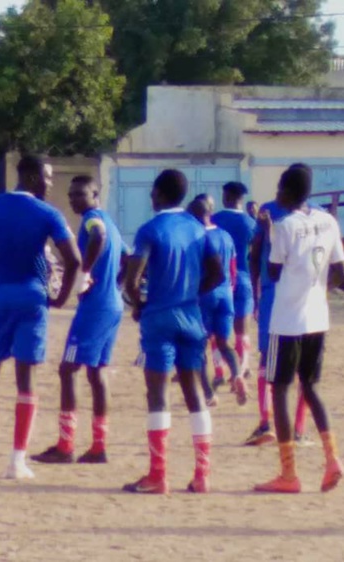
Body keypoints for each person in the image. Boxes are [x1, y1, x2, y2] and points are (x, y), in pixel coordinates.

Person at [0, 155, 81, 479]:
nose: (51, 184)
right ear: (34, 177)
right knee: (27, 379)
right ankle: (16, 461)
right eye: (48, 178)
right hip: (33, 299)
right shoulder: (47, 213)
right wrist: (60, 298)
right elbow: (74, 259)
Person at [122, 169, 224, 494]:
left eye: (153, 193)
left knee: (158, 393)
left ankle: (158, 474)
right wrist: (193, 292)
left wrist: (138, 303)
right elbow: (218, 274)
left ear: (160, 194)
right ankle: (203, 475)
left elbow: (132, 278)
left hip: (160, 317)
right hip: (192, 315)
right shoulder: (197, 228)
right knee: (195, 393)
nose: (151, 198)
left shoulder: (150, 230)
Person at [253, 166, 344, 494]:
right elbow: (341, 273)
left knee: (279, 388)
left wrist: (267, 232)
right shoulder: (329, 221)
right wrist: (315, 289)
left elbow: (274, 271)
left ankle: (289, 474)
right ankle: (333, 458)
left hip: (287, 320)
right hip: (318, 318)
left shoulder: (283, 226)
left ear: (286, 191)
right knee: (310, 387)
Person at [31, 175, 125, 465]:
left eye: (80, 194)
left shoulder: (93, 220)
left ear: (96, 194)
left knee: (68, 369)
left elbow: (98, 237)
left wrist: (85, 273)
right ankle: (99, 446)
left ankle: (66, 444)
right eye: (71, 195)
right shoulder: (112, 222)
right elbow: (129, 258)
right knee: (97, 373)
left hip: (95, 307)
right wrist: (115, 286)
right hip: (113, 305)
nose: (73, 200)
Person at [249, 163, 313, 447]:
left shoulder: (270, 213)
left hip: (276, 293)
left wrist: (256, 290)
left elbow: (259, 254)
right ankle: (296, 427)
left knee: (269, 358)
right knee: (302, 364)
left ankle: (267, 423)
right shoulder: (317, 215)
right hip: (305, 298)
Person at [188, 194, 245, 407]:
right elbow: (232, 269)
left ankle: (209, 394)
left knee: (199, 346)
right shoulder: (226, 236)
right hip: (226, 295)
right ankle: (237, 375)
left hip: (205, 294)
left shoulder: (197, 237)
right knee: (223, 342)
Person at [212, 182, 257, 387]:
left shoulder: (215, 220)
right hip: (245, 278)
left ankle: (220, 371)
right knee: (242, 330)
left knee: (216, 329)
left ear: (227, 196)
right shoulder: (251, 223)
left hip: (220, 280)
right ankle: (244, 367)